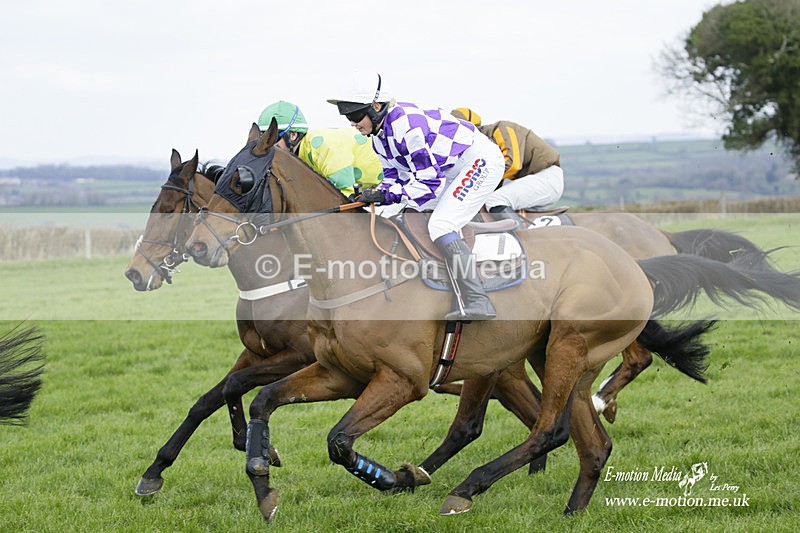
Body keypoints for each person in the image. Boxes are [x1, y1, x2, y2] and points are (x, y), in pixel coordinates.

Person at [327, 72, 505, 321]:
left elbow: (427, 183)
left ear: (376, 107)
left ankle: (478, 299)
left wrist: (388, 194)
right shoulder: (378, 137)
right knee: (390, 214)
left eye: (356, 115)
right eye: (347, 116)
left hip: (478, 162)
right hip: (447, 171)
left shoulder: (407, 126)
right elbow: (393, 178)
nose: (352, 123)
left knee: (442, 225)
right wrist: (376, 194)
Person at [450, 108, 563, 220]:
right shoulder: (483, 148)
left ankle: (522, 237)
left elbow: (512, 164)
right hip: (534, 179)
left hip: (546, 178)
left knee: (495, 200)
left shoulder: (502, 129)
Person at [256, 100, 383, 198]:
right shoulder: (299, 158)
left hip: (395, 175)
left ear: (293, 135)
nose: (268, 147)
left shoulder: (320, 145)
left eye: (272, 138)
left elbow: (345, 194)